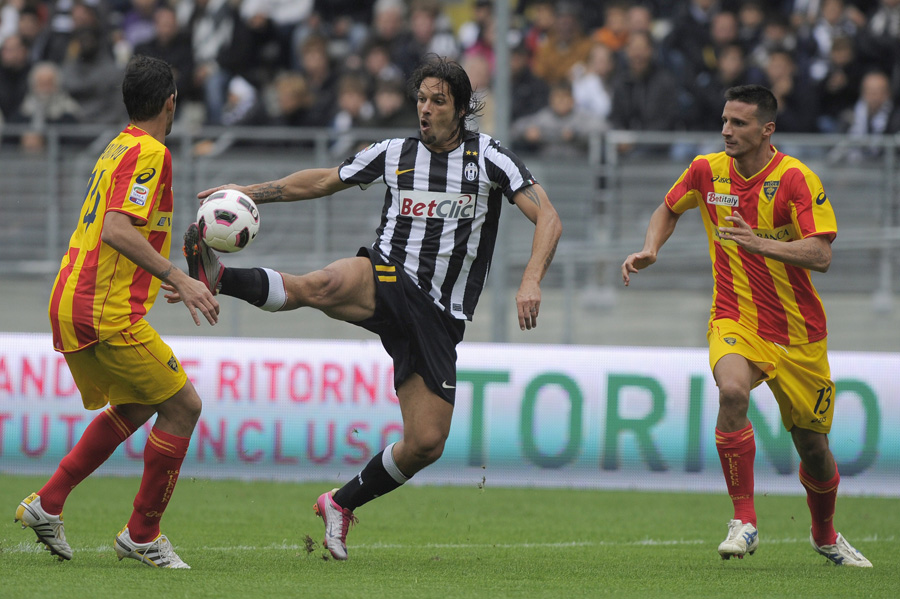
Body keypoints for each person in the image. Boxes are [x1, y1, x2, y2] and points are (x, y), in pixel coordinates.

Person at [181, 54, 562, 561]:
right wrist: (247, 192)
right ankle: (217, 277)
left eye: (437, 101)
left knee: (426, 442)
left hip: (439, 315)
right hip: (387, 273)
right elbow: (321, 181)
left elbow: (549, 218)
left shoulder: (490, 158)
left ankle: (340, 503)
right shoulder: (394, 153)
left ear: (462, 107)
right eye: (421, 99)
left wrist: (531, 278)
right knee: (322, 284)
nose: (425, 110)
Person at [621, 84, 872, 568]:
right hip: (735, 318)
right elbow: (668, 208)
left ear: (766, 129)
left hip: (800, 335)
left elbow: (821, 254)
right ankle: (745, 520)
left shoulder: (797, 179)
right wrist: (652, 247)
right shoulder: (705, 170)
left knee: (814, 449)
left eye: (738, 123)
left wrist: (762, 245)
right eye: (725, 121)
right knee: (732, 391)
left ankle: (824, 535)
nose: (726, 131)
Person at [15, 55, 220, 569]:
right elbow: (117, 228)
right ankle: (142, 533)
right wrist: (179, 278)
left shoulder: (118, 145)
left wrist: (170, 271)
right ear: (171, 102)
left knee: (138, 403)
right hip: (101, 310)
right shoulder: (151, 152)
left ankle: (48, 502)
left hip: (73, 298)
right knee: (183, 406)